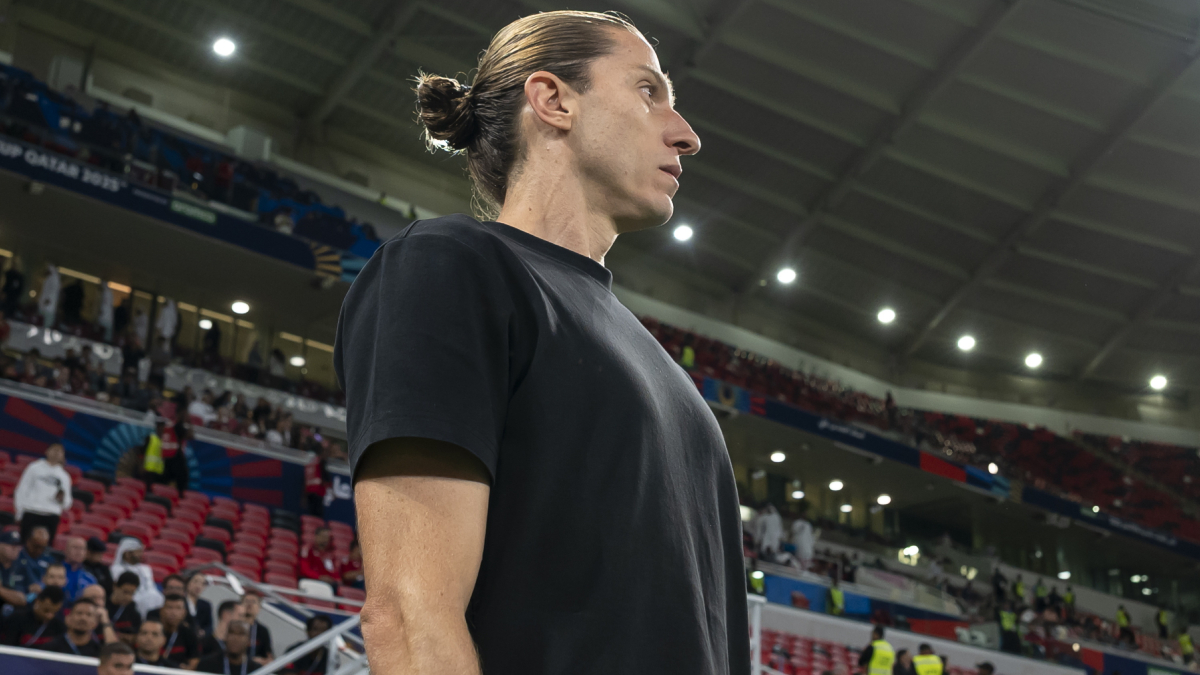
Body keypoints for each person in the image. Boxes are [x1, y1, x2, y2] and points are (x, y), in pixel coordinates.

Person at [336, 10, 741, 675]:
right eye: (648, 90)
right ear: (553, 100)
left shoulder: (662, 369)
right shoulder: (450, 264)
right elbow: (411, 617)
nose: (687, 135)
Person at [14, 443, 72, 543]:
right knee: (24, 543)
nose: (56, 453)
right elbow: (21, 490)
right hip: (31, 511)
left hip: (51, 515)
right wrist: (19, 513)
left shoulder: (64, 476)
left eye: (60, 451)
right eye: (54, 450)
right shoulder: (34, 468)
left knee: (45, 548)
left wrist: (62, 500)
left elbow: (67, 503)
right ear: (47, 451)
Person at [42, 597, 117, 656]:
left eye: (89, 615)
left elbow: (114, 652)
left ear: (95, 623)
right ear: (68, 619)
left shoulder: (99, 652)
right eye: (79, 613)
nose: (83, 618)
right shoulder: (50, 648)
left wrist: (106, 622)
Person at [109, 538, 163, 617]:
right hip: (131, 599)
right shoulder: (116, 569)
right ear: (127, 554)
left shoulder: (146, 568)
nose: (141, 554)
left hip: (151, 599)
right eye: (137, 552)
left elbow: (151, 588)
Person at [0, 585, 65, 647]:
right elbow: (8, 648)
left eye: (54, 612)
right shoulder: (17, 619)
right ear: (37, 601)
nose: (50, 616)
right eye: (46, 611)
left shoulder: (59, 627)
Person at [156, 593, 199, 669]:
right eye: (169, 607)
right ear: (161, 610)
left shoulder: (189, 634)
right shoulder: (151, 629)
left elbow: (193, 663)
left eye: (178, 608)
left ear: (184, 613)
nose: (173, 612)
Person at [16, 526, 54, 596]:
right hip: (19, 593)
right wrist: (27, 588)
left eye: (43, 547)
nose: (39, 550)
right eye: (36, 546)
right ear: (28, 541)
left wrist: (42, 586)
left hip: (42, 596)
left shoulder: (49, 559)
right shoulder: (17, 556)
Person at [0, 530, 33, 609]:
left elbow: (23, 599)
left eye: (19, 545)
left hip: (16, 613)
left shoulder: (23, 566)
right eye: (12, 545)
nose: (17, 549)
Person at [107, 571, 144, 642]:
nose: (128, 597)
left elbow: (137, 636)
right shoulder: (103, 605)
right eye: (125, 592)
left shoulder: (134, 612)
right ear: (115, 586)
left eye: (132, 593)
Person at [62, 536, 98, 602]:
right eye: (75, 547)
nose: (79, 551)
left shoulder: (90, 579)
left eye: (82, 549)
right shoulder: (54, 571)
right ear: (66, 550)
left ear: (85, 553)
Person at [240, 590, 272, 662]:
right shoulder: (232, 626)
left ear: (259, 608)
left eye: (253, 602)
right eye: (247, 601)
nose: (249, 605)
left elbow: (268, 656)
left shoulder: (263, 631)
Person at [184, 572, 213, 637]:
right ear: (188, 582)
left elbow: (209, 626)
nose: (198, 586)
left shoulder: (206, 605)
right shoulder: (180, 601)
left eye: (202, 584)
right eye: (195, 581)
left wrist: (204, 632)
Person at [303, 445, 329, 517]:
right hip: (318, 491)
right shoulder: (320, 462)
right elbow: (325, 476)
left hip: (309, 491)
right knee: (317, 515)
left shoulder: (309, 462)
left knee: (311, 513)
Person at [790, 507, 815, 572]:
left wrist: (811, 546)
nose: (805, 515)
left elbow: (810, 538)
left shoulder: (809, 525)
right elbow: (793, 532)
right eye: (804, 513)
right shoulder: (797, 523)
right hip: (799, 548)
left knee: (805, 567)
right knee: (797, 566)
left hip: (807, 550)